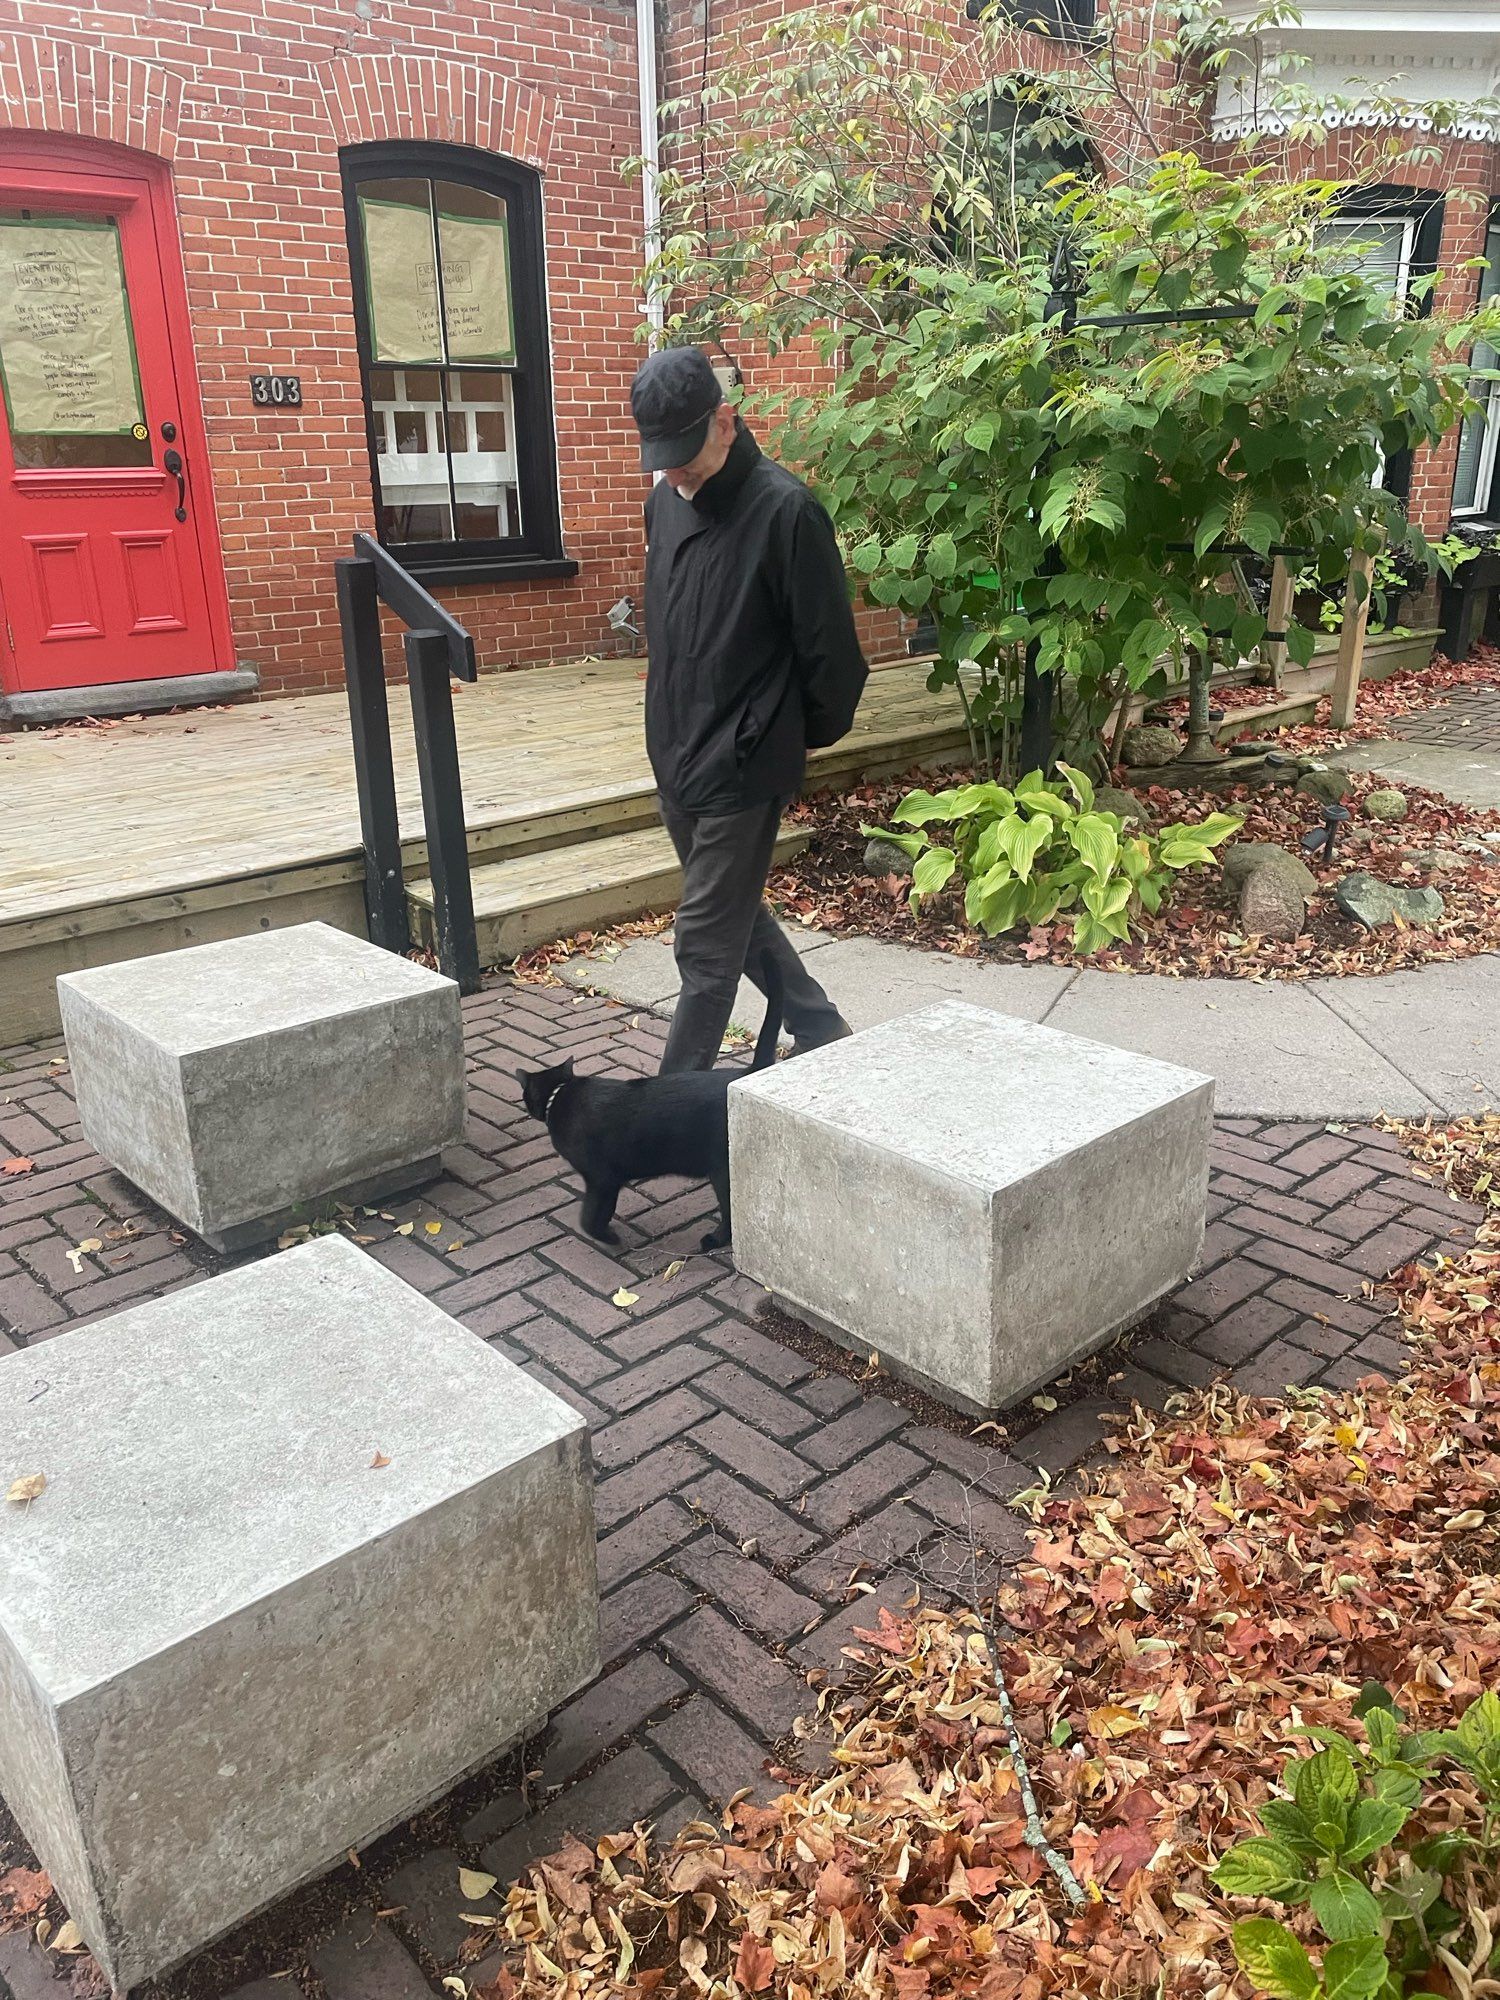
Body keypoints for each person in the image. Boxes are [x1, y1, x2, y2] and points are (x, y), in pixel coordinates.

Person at [631, 345, 868, 1073]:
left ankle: (669, 1111)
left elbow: (834, 657)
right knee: (735, 917)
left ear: (726, 421)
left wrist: (780, 736)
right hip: (676, 752)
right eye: (661, 455)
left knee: (704, 942)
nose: (674, 471)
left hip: (743, 761)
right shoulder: (663, 504)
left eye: (685, 452)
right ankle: (822, 1027)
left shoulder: (786, 511)